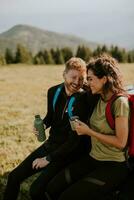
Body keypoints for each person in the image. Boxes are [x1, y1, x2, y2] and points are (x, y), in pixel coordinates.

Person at [3, 57, 97, 200]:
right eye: (73, 77)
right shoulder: (53, 92)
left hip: (68, 151)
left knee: (36, 191)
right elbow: (50, 117)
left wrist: (48, 158)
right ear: (64, 74)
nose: (77, 82)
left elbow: (74, 141)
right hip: (51, 144)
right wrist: (43, 125)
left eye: (81, 78)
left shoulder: (83, 99)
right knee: (14, 177)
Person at [45, 54, 130, 200]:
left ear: (104, 79)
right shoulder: (97, 97)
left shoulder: (119, 103)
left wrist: (89, 131)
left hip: (113, 164)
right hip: (92, 158)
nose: (87, 82)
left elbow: (121, 142)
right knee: (52, 188)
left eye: (90, 79)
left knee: (67, 197)